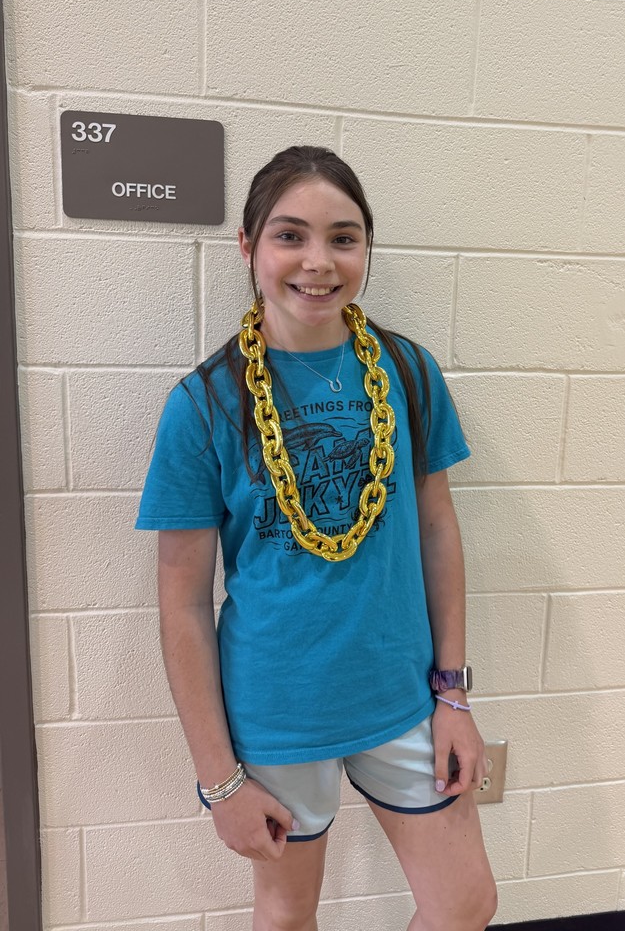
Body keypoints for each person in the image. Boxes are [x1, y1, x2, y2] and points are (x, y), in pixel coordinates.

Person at [136, 145, 497, 931]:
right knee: (287, 915)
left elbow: (436, 532)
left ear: (365, 248)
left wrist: (453, 695)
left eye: (343, 237)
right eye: (289, 235)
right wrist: (220, 782)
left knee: (465, 902)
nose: (317, 262)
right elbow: (183, 606)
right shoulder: (203, 405)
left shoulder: (406, 372)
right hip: (277, 710)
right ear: (247, 246)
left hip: (401, 696)